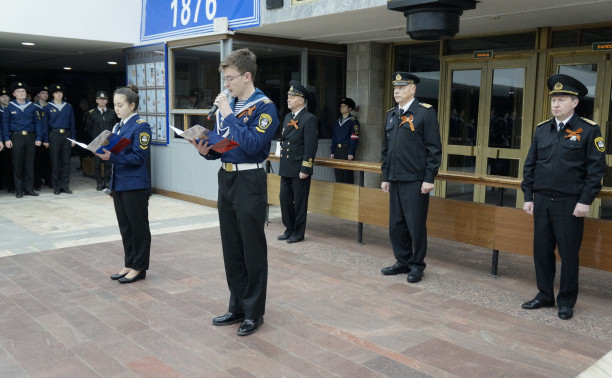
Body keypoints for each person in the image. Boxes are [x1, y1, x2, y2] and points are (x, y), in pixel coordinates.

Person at [191, 48, 279, 336]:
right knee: (231, 247)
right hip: (226, 179)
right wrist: (206, 150)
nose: (225, 85)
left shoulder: (265, 107)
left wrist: (229, 116)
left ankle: (254, 312)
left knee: (252, 248)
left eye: (229, 79)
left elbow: (253, 145)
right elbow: (225, 148)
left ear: (247, 76)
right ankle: (237, 305)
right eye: (224, 79)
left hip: (250, 181)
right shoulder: (229, 106)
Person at [520, 74, 606, 320]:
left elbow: (596, 170)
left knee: (568, 255)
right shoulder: (542, 130)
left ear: (575, 103)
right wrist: (528, 196)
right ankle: (544, 295)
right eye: (554, 100)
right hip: (542, 202)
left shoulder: (588, 130)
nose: (555, 104)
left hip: (570, 204)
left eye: (562, 100)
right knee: (542, 251)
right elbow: (530, 166)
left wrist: (585, 200)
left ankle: (566, 301)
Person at [380, 72, 442, 283]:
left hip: (416, 180)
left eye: (402, 87)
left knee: (415, 224)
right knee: (396, 224)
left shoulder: (425, 113)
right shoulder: (391, 115)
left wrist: (429, 178)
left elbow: (434, 149)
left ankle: (417, 265)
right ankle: (402, 261)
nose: (396, 91)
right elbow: (386, 149)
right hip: (396, 178)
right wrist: (386, 176)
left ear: (413, 89)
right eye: (395, 87)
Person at [95, 84, 152, 284]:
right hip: (119, 184)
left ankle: (139, 267)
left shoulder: (141, 126)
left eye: (120, 105)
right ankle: (129, 263)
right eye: (115, 105)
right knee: (125, 227)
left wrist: (112, 156)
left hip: (135, 185)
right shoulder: (117, 126)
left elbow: (139, 156)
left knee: (138, 228)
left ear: (132, 105)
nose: (116, 109)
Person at [277, 80, 318, 243]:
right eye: (288, 96)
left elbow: (310, 146)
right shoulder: (288, 116)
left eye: (292, 97)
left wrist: (306, 168)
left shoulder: (309, 119)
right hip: (286, 166)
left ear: (301, 100)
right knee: (284, 199)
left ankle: (298, 232)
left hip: (299, 168)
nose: (288, 99)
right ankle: (289, 228)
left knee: (300, 203)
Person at [2, 82, 44, 198]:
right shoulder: (9, 107)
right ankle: (19, 190)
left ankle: (29, 189)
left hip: (30, 137)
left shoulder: (32, 106)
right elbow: (5, 123)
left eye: (23, 91)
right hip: (16, 137)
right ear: (14, 94)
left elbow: (38, 123)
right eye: (19, 91)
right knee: (17, 164)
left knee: (29, 164)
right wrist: (6, 138)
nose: (21, 93)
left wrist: (39, 137)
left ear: (26, 94)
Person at [43, 84, 76, 194]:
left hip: (66, 134)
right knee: (55, 161)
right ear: (53, 94)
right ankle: (56, 186)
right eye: (57, 93)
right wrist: (46, 139)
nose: (59, 94)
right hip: (54, 135)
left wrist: (73, 138)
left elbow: (72, 124)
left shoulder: (68, 106)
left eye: (60, 92)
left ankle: (65, 186)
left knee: (66, 161)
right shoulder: (48, 107)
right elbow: (45, 125)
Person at [86, 90, 117, 190]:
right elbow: (88, 128)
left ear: (107, 101)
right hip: (97, 142)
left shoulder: (112, 113)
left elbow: (115, 126)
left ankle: (107, 182)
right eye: (100, 99)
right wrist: (95, 138)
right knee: (97, 164)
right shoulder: (91, 113)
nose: (102, 101)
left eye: (104, 99)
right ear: (97, 100)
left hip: (108, 141)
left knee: (108, 163)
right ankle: (99, 183)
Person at [330, 97, 359, 184]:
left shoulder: (353, 121)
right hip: (337, 151)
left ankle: (349, 196)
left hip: (346, 150)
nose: (341, 107)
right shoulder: (337, 121)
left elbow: (354, 138)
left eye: (344, 106)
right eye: (341, 106)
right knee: (338, 175)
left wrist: (351, 152)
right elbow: (334, 137)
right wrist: (332, 151)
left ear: (350, 109)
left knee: (347, 175)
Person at [33, 85, 52, 190]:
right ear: (38, 95)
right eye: (43, 93)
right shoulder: (33, 106)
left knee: (49, 160)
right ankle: (37, 181)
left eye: (46, 93)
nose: (45, 95)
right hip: (38, 138)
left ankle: (49, 179)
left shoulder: (50, 106)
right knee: (38, 161)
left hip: (49, 137)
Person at [0, 85, 15, 193]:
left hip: (12, 138)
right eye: (2, 96)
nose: (5, 98)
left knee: (12, 163)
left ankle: (11, 185)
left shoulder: (12, 107)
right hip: (1, 139)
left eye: (6, 96)